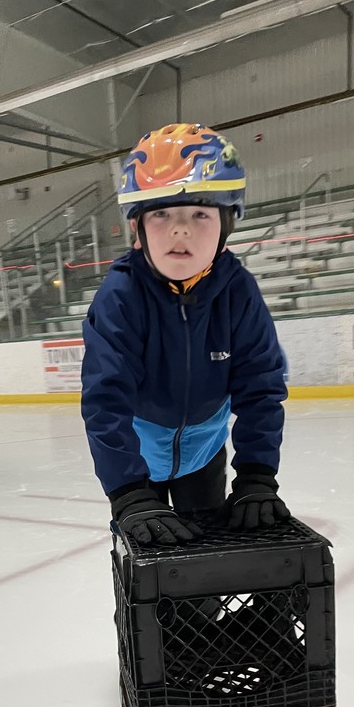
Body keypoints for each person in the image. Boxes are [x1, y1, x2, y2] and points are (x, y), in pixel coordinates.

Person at [81, 122, 290, 546]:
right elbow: (106, 401)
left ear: (225, 227)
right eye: (161, 213)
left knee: (206, 563)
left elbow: (261, 389)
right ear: (137, 229)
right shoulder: (120, 296)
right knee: (149, 570)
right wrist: (128, 493)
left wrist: (256, 477)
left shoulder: (239, 293)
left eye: (200, 213)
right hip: (138, 460)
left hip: (204, 453)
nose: (181, 229)